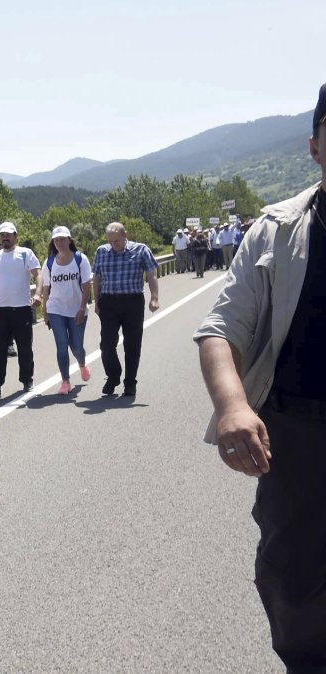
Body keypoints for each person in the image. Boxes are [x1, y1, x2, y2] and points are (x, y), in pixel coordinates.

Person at [194, 83, 326, 670]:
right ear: (315, 147)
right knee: (293, 575)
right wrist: (232, 406)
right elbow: (220, 329)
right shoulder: (275, 231)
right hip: (298, 434)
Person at [92, 222, 159, 396]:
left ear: (124, 235)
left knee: (132, 345)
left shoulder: (141, 250)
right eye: (110, 241)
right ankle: (113, 376)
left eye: (117, 241)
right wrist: (97, 301)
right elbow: (97, 278)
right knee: (106, 344)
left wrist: (154, 298)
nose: (113, 245)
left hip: (133, 302)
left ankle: (130, 382)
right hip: (109, 302)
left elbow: (151, 274)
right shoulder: (101, 251)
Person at [0, 222, 40, 399]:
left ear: (15, 236)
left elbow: (38, 274)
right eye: (2, 235)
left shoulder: (25, 253)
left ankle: (27, 380)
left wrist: (38, 294)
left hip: (22, 309)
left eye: (8, 234)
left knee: (24, 348)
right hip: (1, 311)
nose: (5, 237)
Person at [38, 227, 93, 396]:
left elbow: (86, 285)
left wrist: (82, 307)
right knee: (61, 345)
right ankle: (65, 381)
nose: (59, 243)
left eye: (62, 239)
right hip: (56, 309)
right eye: (56, 240)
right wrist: (45, 312)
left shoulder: (80, 259)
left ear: (69, 240)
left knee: (76, 346)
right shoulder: (49, 262)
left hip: (77, 308)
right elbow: (46, 288)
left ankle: (82, 364)